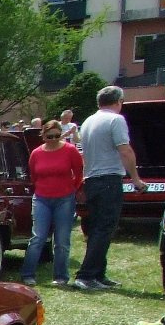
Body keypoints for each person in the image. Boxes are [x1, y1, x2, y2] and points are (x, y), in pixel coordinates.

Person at [72, 85, 146, 291]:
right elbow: (125, 150)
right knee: (105, 228)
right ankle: (86, 275)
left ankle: (98, 274)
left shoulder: (88, 121)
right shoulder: (116, 120)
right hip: (108, 179)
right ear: (118, 101)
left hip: (93, 180)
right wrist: (136, 179)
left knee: (97, 228)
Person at [18, 120, 83, 287]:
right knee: (38, 237)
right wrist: (41, 188)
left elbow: (78, 173)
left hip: (65, 198)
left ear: (61, 134)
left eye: (57, 136)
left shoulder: (70, 150)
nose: (53, 139)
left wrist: (72, 190)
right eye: (49, 136)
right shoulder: (36, 153)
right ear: (43, 135)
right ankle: (28, 274)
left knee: (62, 239)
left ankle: (61, 276)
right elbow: (33, 175)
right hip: (41, 198)